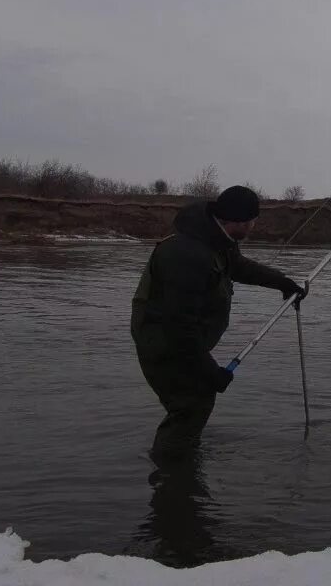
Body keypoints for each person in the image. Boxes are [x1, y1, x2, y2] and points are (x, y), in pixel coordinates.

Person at [131, 185, 306, 455]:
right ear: (237, 221)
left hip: (181, 342)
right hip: (165, 344)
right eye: (252, 220)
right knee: (193, 404)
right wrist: (210, 371)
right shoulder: (187, 254)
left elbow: (238, 267)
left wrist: (283, 282)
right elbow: (179, 326)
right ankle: (173, 477)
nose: (253, 226)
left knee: (193, 405)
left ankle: (181, 463)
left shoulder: (216, 239)